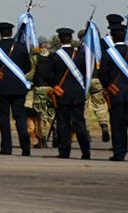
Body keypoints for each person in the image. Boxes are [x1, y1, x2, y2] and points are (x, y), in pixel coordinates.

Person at [98, 22, 128, 162]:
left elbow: (103, 75)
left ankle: (119, 153)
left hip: (116, 93)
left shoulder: (108, 54)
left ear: (112, 37)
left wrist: (109, 86)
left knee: (118, 124)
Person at [0, 21, 33, 156]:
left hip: (1, 87)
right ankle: (25, 146)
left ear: (0, 33)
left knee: (4, 118)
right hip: (18, 88)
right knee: (20, 116)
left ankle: (6, 148)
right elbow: (27, 67)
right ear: (11, 33)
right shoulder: (21, 47)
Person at [49, 27, 91, 159]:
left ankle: (64, 151)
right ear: (71, 40)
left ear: (59, 40)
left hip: (61, 94)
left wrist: (55, 86)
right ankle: (86, 151)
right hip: (78, 94)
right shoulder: (80, 55)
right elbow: (85, 74)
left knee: (63, 124)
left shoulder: (54, 57)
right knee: (80, 123)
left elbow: (48, 76)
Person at [30, 38, 55, 147]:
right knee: (52, 113)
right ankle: (57, 135)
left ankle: (42, 139)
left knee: (40, 115)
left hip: (39, 89)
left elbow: (31, 74)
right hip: (51, 90)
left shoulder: (35, 58)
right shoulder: (53, 57)